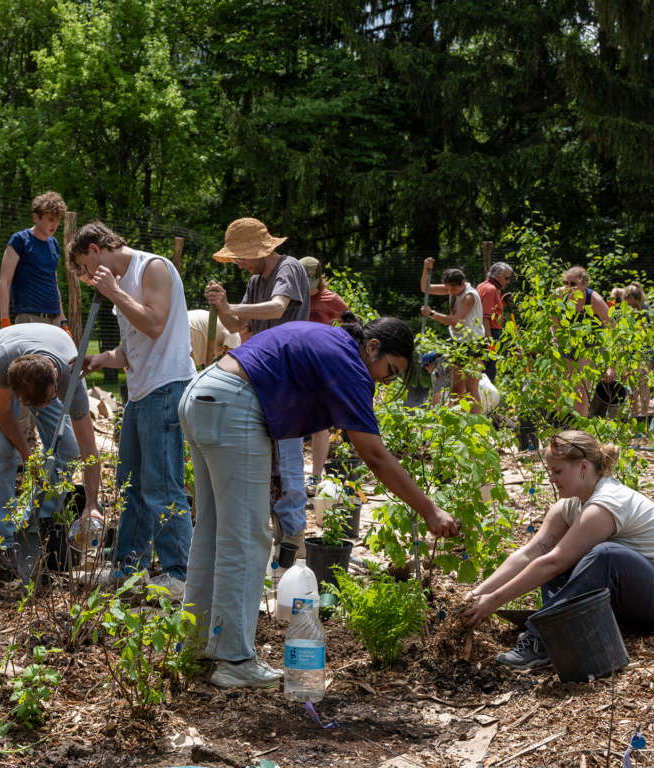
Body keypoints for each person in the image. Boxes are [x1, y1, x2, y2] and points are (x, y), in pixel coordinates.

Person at [181, 311, 458, 688]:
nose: (385, 379)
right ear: (373, 346)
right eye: (389, 369)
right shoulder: (347, 361)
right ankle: (233, 658)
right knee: (247, 538)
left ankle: (197, 644)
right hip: (232, 405)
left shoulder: (331, 341)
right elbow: (372, 454)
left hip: (204, 392)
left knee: (213, 531)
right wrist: (429, 508)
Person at [461, 430, 654, 670]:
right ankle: (561, 632)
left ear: (584, 467)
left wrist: (493, 602)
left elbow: (554, 562)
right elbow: (530, 554)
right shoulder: (570, 505)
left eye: (558, 472)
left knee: (605, 555)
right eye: (550, 471)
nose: (551, 480)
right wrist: (479, 592)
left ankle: (544, 637)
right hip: (640, 594)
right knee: (571, 561)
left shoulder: (605, 504)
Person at [67, 222, 197, 596]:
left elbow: (155, 324)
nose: (87, 276)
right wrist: (102, 359)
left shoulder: (152, 267)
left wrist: (112, 291)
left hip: (167, 387)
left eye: (84, 266)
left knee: (162, 482)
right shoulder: (121, 283)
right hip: (140, 393)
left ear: (95, 249)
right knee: (132, 483)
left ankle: (180, 573)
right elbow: (134, 346)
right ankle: (128, 568)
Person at [205, 218, 311, 553]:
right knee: (268, 456)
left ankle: (294, 538)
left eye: (240, 256)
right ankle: (276, 534)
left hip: (290, 376)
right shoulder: (255, 280)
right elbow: (237, 323)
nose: (237, 263)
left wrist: (229, 305)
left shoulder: (288, 268)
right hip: (265, 375)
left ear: (257, 249)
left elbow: (278, 307)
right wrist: (222, 306)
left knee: (290, 457)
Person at [0, 325, 101, 581]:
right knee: (4, 450)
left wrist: (91, 504)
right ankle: (4, 543)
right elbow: (3, 412)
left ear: (55, 378)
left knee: (68, 447)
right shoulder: (0, 367)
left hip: (51, 354)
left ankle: (35, 526)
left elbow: (89, 449)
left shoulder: (71, 380)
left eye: (48, 400)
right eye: (34, 405)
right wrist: (29, 455)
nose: (42, 408)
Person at [0, 191, 71, 449]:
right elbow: (4, 281)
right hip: (27, 319)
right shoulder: (20, 240)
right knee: (28, 382)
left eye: (57, 220)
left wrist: (63, 321)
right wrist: (5, 319)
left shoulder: (53, 244)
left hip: (52, 321)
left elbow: (53, 283)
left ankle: (54, 444)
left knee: (53, 379)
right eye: (49, 218)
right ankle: (24, 447)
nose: (53, 224)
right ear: (36, 217)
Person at [300, 257, 350, 495]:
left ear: (320, 278)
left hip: (319, 366)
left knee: (319, 424)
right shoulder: (289, 295)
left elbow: (353, 327)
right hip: (290, 366)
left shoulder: (331, 299)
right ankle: (287, 476)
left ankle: (315, 478)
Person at [420, 261, 486, 414]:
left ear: (462, 283)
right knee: (456, 389)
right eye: (448, 289)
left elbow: (455, 320)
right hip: (458, 344)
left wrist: (432, 314)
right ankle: (456, 426)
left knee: (471, 390)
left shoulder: (470, 296)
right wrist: (425, 269)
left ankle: (474, 424)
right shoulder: (452, 288)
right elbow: (426, 288)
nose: (451, 292)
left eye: (454, 289)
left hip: (474, 344)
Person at [560, 267, 613, 418]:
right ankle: (563, 425)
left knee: (580, 387)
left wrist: (611, 366)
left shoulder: (595, 301)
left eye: (573, 284)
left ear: (585, 284)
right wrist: (553, 338)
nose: (569, 288)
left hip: (592, 342)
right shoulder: (559, 295)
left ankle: (579, 429)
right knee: (562, 384)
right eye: (566, 283)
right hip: (570, 340)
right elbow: (552, 319)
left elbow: (613, 330)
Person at [610, 281, 650, 420]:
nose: (629, 307)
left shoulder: (644, 309)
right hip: (627, 347)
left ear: (638, 300)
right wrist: (612, 301)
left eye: (631, 304)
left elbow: (641, 333)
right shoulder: (626, 301)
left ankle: (644, 414)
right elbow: (615, 290)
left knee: (642, 379)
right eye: (626, 304)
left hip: (642, 348)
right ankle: (633, 413)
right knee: (628, 379)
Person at [476, 262, 514, 383]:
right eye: (506, 278)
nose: (508, 282)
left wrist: (501, 302)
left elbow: (488, 309)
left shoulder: (482, 286)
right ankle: (485, 400)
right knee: (488, 374)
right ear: (496, 275)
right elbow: (484, 317)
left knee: (481, 370)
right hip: (489, 333)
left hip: (480, 333)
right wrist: (490, 341)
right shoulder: (491, 290)